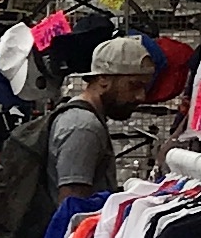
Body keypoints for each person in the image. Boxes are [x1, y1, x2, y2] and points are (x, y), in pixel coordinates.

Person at [44, 34, 153, 207]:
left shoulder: (84, 119)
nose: (141, 96)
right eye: (134, 85)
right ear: (103, 78)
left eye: (144, 87)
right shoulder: (84, 127)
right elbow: (71, 209)